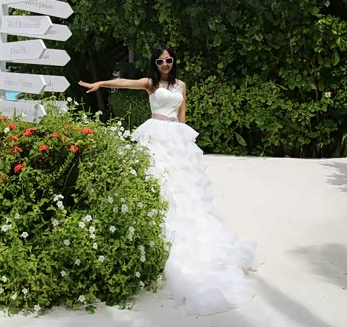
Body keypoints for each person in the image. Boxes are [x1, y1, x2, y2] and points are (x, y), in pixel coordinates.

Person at [79, 45, 258, 315]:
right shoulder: (150, 84)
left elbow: (183, 116)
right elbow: (124, 82)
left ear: (174, 62)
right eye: (160, 61)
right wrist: (100, 84)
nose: (165, 64)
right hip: (155, 132)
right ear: (155, 63)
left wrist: (185, 143)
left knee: (185, 187)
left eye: (169, 60)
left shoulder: (181, 85)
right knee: (158, 180)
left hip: (176, 136)